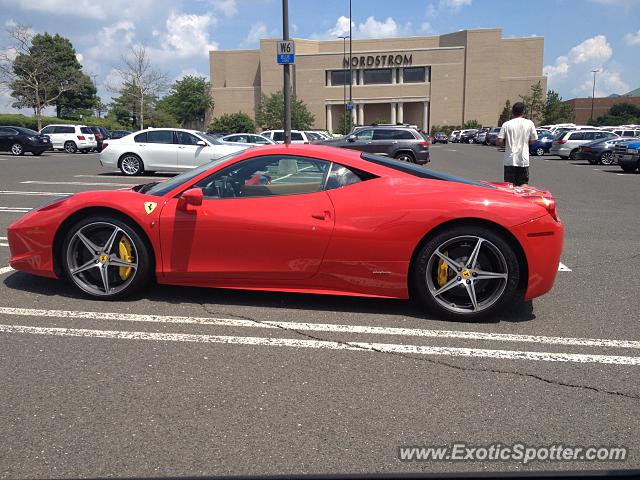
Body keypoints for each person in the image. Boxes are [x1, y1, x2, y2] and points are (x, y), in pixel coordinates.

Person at [496, 101, 537, 187]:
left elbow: (499, 141)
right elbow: (534, 140)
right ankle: (522, 200)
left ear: (512, 111)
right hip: (523, 159)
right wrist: (525, 142)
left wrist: (506, 143)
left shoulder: (506, 124)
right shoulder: (529, 123)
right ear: (523, 111)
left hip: (510, 160)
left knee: (509, 186)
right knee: (523, 184)